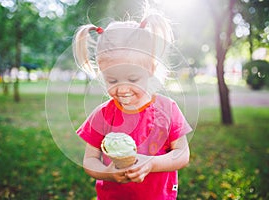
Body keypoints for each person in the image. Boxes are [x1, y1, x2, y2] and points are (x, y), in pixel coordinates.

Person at [73, 9, 192, 200]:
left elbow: (182, 154)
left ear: (151, 68)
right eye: (112, 80)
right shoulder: (102, 115)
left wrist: (152, 163)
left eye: (133, 78)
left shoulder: (168, 110)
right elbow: (90, 160)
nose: (122, 89)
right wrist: (108, 173)